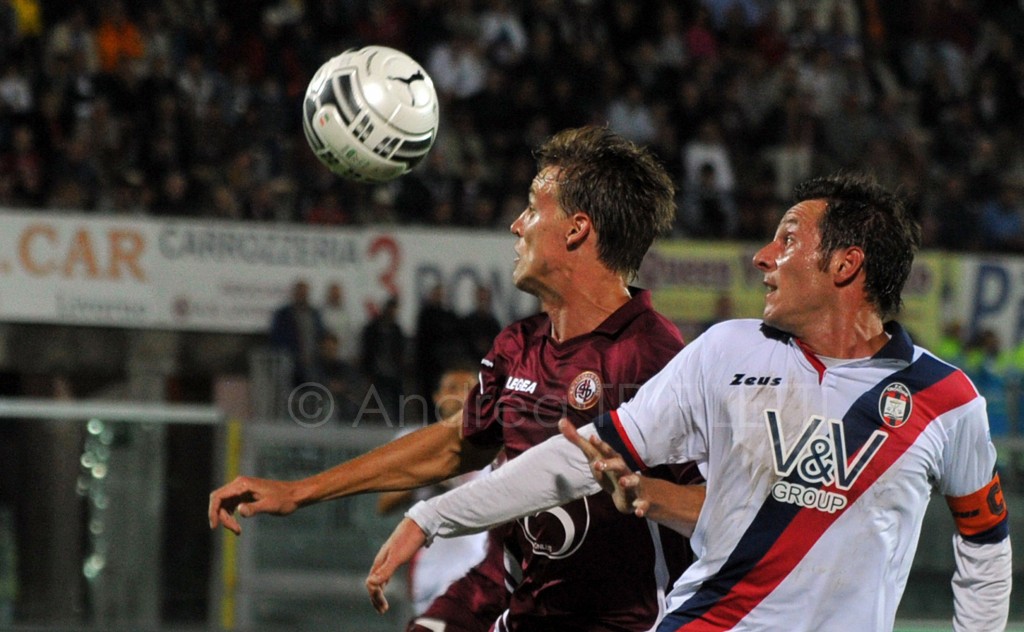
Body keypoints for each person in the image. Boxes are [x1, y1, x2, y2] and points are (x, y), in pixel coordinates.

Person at [368, 173, 1012, 632]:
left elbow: (984, 547)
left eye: (787, 239)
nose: (762, 256)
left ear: (845, 266)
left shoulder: (947, 402)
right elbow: (579, 457)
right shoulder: (727, 351)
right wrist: (435, 516)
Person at [210, 126, 702, 632]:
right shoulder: (519, 345)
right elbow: (455, 444)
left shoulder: (652, 355)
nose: (516, 225)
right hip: (516, 608)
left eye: (532, 209)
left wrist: (645, 494)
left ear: (577, 230)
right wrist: (299, 492)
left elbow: (714, 508)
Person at [376, 362, 490, 620]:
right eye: (452, 388)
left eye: (468, 388)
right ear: (437, 396)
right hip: (431, 565)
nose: (460, 395)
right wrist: (428, 478)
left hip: (480, 563)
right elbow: (384, 503)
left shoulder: (496, 443)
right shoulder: (415, 439)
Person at [268, 279, 327, 387]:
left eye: (304, 293)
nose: (302, 295)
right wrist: (294, 354)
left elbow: (320, 335)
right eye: (300, 292)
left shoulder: (314, 313)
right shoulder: (283, 314)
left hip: (313, 361)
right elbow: (277, 337)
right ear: (294, 293)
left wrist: (317, 353)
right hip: (289, 361)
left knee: (313, 389)